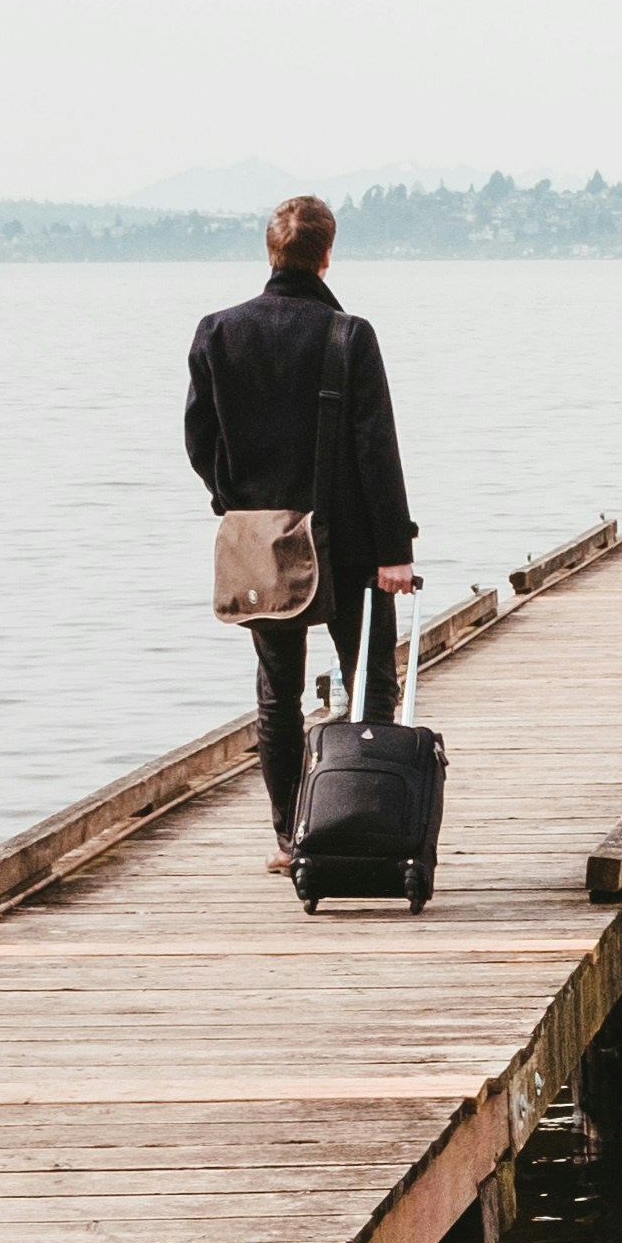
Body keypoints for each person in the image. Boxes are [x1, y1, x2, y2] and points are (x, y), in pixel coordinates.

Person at [184, 194, 420, 866]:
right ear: (325, 255)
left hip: (261, 542)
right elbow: (376, 448)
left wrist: (236, 503)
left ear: (270, 252)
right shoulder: (348, 334)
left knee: (277, 694)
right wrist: (393, 552)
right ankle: (365, 824)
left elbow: (200, 441)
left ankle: (293, 838)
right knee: (368, 681)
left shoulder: (216, 332)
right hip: (347, 542)